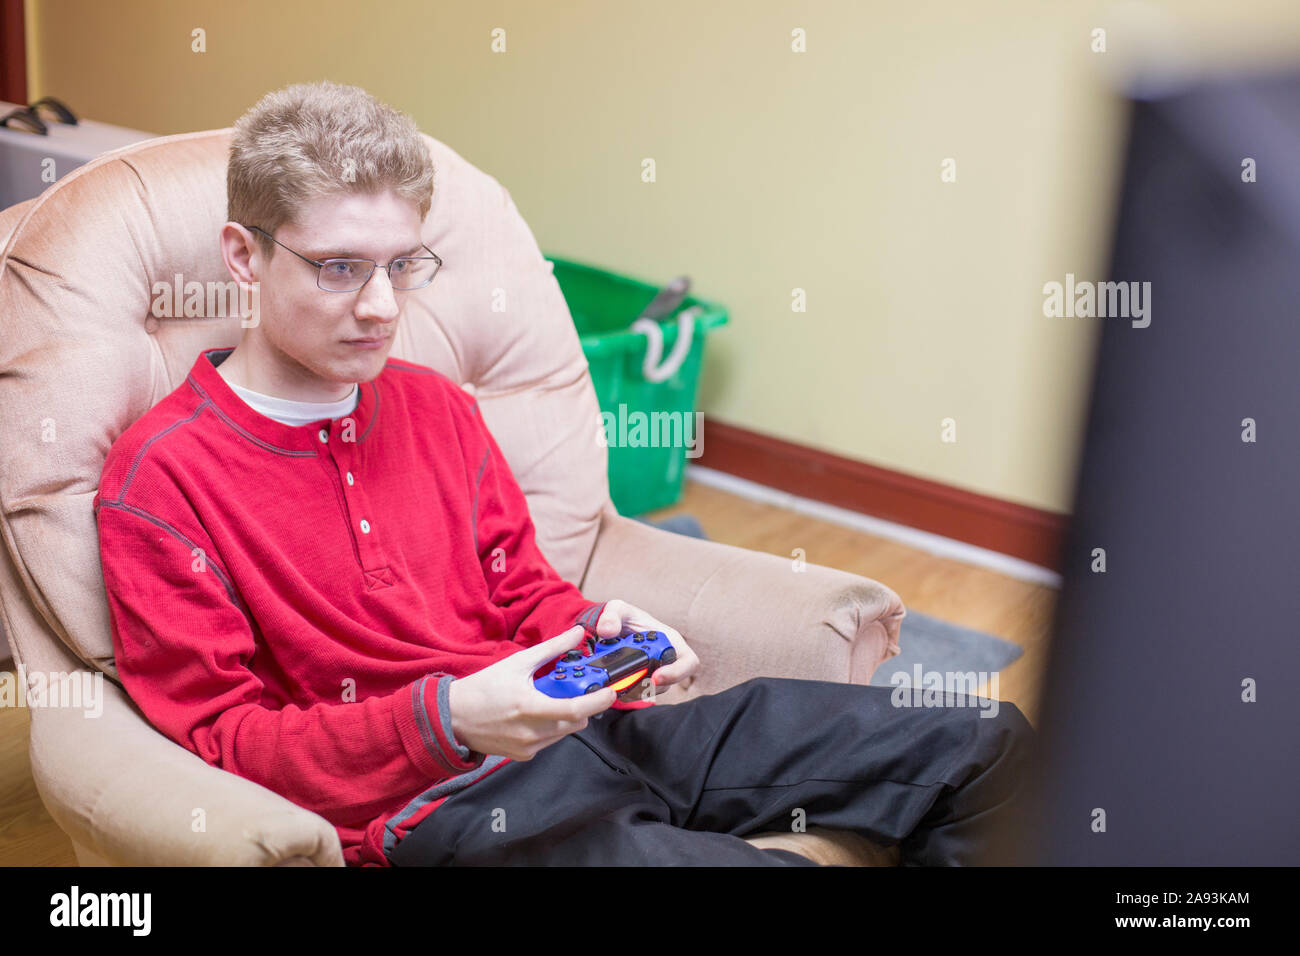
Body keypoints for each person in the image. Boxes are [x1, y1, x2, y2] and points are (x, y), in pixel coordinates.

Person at [94, 81, 1034, 868]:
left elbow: (521, 587)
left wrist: (598, 632)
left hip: (598, 731)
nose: (381, 308)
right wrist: (452, 719)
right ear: (241, 256)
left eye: (402, 265)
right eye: (339, 268)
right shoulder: (162, 482)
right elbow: (224, 744)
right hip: (454, 813)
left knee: (993, 748)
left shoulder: (432, 404)